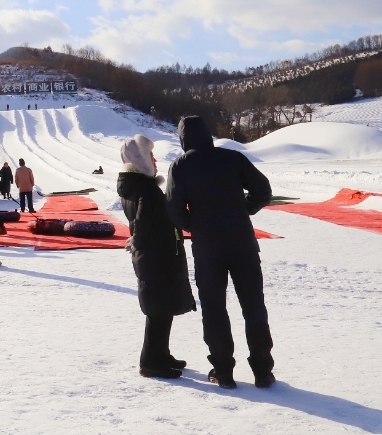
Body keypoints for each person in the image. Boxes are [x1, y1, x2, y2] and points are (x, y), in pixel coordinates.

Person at [167, 115, 274, 389]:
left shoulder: (181, 166)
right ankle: (263, 370)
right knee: (254, 306)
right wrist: (245, 209)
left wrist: (196, 225)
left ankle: (223, 371)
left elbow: (174, 209)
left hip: (207, 248)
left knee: (214, 309)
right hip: (242, 242)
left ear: (183, 138)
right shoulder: (232, 158)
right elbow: (263, 190)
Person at [117, 135, 196, 379]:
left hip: (153, 256)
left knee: (162, 308)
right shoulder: (147, 189)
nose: (155, 160)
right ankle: (151, 362)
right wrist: (138, 242)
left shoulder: (135, 185)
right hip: (157, 257)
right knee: (159, 310)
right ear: (139, 159)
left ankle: (161, 354)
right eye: (150, 155)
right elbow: (142, 223)